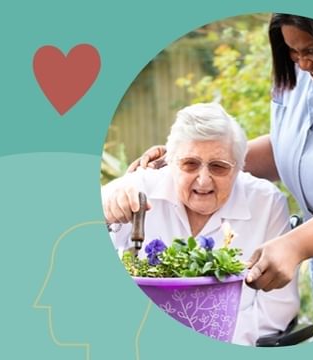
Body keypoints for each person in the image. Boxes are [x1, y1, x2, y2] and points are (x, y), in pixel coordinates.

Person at [129, 14, 313, 334]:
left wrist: (293, 245)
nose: (302, 64)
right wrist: (192, 162)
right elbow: (292, 150)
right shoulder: (301, 80)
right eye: (292, 52)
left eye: (312, 51)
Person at [102, 102, 300, 345]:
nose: (203, 180)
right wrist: (103, 213)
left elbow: (277, 308)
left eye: (218, 167)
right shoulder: (137, 187)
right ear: (170, 161)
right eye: (190, 164)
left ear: (238, 167)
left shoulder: (266, 203)